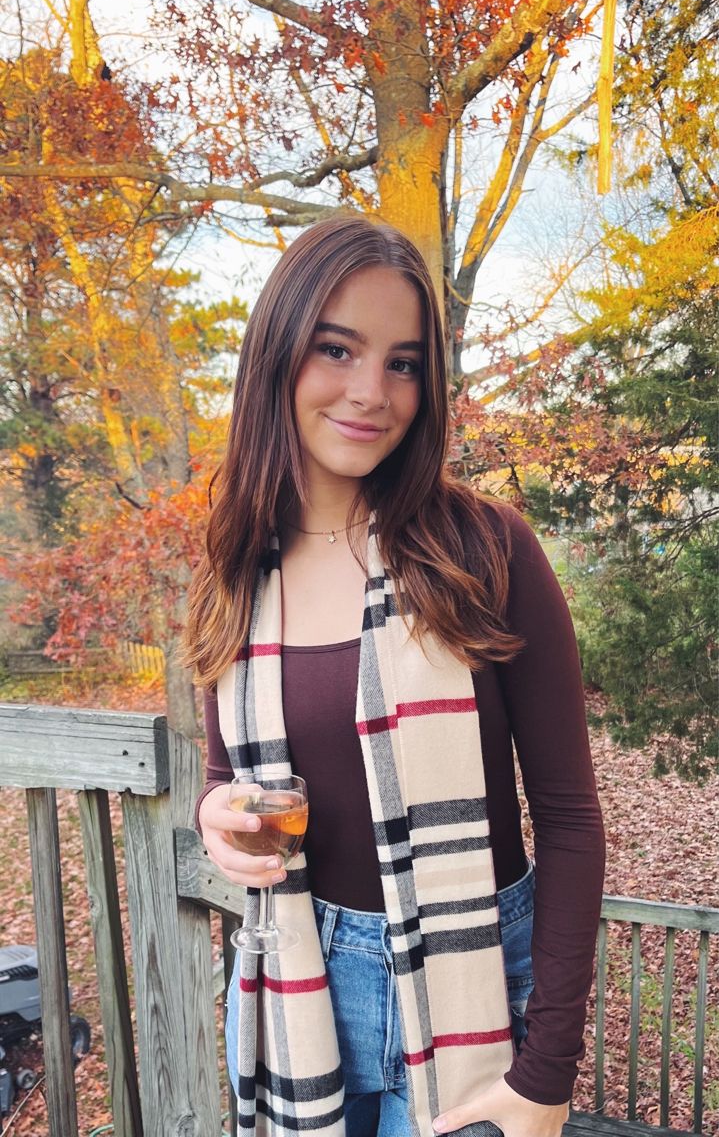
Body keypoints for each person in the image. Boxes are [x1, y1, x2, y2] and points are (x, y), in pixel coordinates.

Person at [181, 213, 606, 1137]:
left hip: (474, 983)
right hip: (297, 989)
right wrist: (216, 818)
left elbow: (569, 822)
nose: (372, 391)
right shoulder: (235, 567)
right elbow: (228, 790)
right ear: (277, 356)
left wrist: (548, 1072)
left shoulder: (481, 548)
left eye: (404, 362)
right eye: (338, 349)